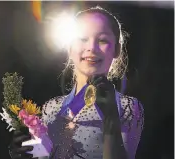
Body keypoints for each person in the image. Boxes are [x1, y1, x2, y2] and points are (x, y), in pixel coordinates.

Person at [8, 6, 144, 159]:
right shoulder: (51, 108)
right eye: (82, 39)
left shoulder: (127, 108)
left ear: (117, 50)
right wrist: (25, 153)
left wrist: (110, 118)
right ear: (70, 47)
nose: (91, 48)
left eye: (102, 40)